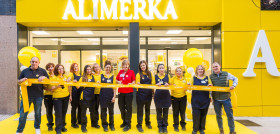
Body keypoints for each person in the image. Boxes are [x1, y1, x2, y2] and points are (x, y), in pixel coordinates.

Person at [16, 57, 49, 134]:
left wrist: (43, 77)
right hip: (26, 96)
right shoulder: (25, 71)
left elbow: (48, 80)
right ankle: (19, 130)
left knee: (37, 113)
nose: (34, 63)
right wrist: (21, 80)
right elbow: (18, 81)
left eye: (36, 62)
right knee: (23, 114)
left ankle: (37, 128)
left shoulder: (42, 71)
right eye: (33, 62)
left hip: (38, 96)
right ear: (30, 62)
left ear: (39, 62)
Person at [210, 62, 238, 134]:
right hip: (216, 100)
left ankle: (232, 131)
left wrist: (233, 86)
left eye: (216, 66)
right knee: (218, 115)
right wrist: (210, 96)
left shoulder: (226, 74)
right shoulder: (211, 76)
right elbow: (209, 87)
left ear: (220, 66)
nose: (215, 68)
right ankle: (221, 130)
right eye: (213, 67)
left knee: (230, 115)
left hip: (226, 99)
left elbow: (235, 79)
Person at [188, 65, 212, 134]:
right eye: (199, 69)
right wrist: (189, 85)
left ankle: (201, 129)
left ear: (203, 70)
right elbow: (189, 87)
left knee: (203, 115)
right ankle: (195, 129)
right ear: (197, 70)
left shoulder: (207, 78)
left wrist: (210, 87)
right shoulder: (193, 78)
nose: (200, 70)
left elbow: (211, 87)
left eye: (202, 69)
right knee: (196, 115)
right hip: (196, 100)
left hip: (205, 100)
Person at [116, 60, 136, 132]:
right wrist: (118, 82)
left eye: (127, 65)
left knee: (128, 108)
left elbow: (134, 81)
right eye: (124, 65)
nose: (125, 66)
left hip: (129, 93)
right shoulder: (120, 72)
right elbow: (116, 80)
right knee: (121, 107)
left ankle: (128, 124)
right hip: (121, 93)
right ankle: (124, 121)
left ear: (128, 66)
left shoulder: (131, 72)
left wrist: (132, 83)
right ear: (122, 66)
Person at [52, 64, 71, 134]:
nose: (61, 70)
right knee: (58, 114)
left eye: (62, 68)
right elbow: (52, 89)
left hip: (66, 97)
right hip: (57, 98)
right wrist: (58, 86)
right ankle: (58, 128)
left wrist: (70, 96)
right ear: (57, 70)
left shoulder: (66, 77)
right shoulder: (54, 78)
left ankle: (63, 126)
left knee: (64, 113)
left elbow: (69, 87)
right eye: (59, 69)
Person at [76, 65, 95, 133]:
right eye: (87, 69)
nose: (89, 70)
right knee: (83, 112)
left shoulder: (93, 76)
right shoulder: (82, 78)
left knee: (92, 111)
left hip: (92, 96)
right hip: (84, 96)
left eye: (90, 69)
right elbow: (78, 87)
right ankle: (83, 126)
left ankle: (94, 124)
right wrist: (76, 82)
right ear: (85, 70)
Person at [135, 60, 154, 132]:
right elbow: (136, 85)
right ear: (140, 67)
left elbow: (152, 83)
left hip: (148, 95)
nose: (143, 66)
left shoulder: (150, 74)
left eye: (144, 65)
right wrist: (138, 84)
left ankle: (147, 122)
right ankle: (139, 125)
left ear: (146, 65)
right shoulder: (138, 74)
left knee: (147, 110)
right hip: (140, 95)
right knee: (140, 110)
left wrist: (153, 93)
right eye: (141, 66)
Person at [153, 64, 171, 134]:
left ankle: (165, 127)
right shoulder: (155, 76)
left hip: (166, 96)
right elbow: (152, 85)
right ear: (158, 69)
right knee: (159, 113)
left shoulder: (168, 76)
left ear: (164, 69)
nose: (161, 69)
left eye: (163, 68)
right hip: (158, 96)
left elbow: (171, 84)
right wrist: (156, 85)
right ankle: (160, 126)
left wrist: (168, 85)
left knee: (166, 113)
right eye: (160, 68)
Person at [99, 61, 116, 132]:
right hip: (102, 96)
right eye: (107, 67)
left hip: (110, 96)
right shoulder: (101, 75)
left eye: (109, 67)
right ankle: (104, 125)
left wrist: (114, 97)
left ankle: (111, 125)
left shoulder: (113, 76)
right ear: (104, 68)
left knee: (111, 111)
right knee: (103, 112)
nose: (108, 69)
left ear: (111, 68)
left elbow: (114, 88)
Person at [170, 67, 187, 132]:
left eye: (180, 71)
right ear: (175, 72)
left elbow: (187, 87)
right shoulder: (172, 79)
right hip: (174, 98)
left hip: (183, 97)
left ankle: (183, 124)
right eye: (177, 71)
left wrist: (186, 88)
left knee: (182, 112)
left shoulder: (185, 79)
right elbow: (169, 86)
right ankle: (176, 125)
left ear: (182, 72)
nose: (179, 72)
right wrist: (172, 85)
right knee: (175, 112)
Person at [68, 63, 82, 128]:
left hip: (80, 93)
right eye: (74, 67)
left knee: (80, 107)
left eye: (76, 66)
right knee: (74, 108)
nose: (75, 68)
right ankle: (73, 123)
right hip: (74, 94)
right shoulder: (71, 74)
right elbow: (69, 83)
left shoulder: (80, 75)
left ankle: (80, 120)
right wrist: (70, 96)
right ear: (72, 68)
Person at [43, 63, 56, 131]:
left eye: (52, 67)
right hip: (47, 95)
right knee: (49, 111)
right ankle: (50, 125)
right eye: (49, 67)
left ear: (54, 68)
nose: (50, 68)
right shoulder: (45, 76)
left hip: (56, 95)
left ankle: (58, 124)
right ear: (47, 69)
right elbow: (43, 87)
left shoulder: (56, 75)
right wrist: (49, 89)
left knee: (57, 111)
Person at [92, 63, 101, 129]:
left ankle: (103, 121)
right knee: (95, 108)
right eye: (95, 67)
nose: (96, 68)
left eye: (97, 67)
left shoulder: (103, 73)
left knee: (103, 108)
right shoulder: (92, 75)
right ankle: (95, 123)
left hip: (102, 93)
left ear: (100, 67)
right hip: (95, 94)